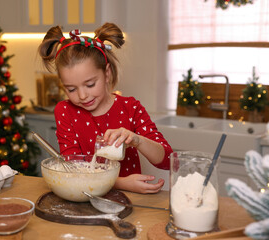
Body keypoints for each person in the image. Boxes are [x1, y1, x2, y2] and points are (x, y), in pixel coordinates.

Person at [38, 23, 173, 194]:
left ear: (107, 73)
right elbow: (73, 170)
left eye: (90, 84)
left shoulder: (131, 108)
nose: (82, 95)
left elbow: (167, 159)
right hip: (84, 198)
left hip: (130, 200)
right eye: (71, 89)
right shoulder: (65, 111)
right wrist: (121, 183)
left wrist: (137, 140)